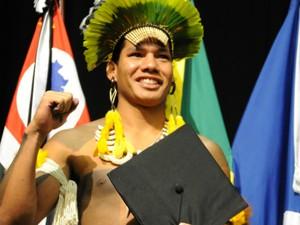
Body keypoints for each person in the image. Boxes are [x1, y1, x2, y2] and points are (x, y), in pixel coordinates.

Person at [0, 0, 234, 224]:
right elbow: (10, 219)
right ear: (112, 70)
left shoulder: (202, 152)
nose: (151, 65)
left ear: (171, 72)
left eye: (162, 56)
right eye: (136, 54)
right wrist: (35, 134)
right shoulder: (73, 146)